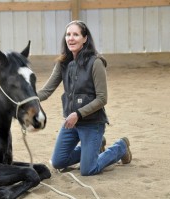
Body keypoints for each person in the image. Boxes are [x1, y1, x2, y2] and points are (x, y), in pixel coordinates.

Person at [37, 20, 132, 176]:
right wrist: (25, 99)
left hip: (92, 122)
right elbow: (46, 91)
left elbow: (102, 99)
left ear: (85, 38)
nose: (71, 38)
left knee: (88, 169)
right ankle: (96, 145)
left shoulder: (96, 63)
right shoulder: (63, 63)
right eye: (68, 34)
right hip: (71, 123)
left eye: (76, 34)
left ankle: (120, 147)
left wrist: (78, 114)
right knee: (58, 162)